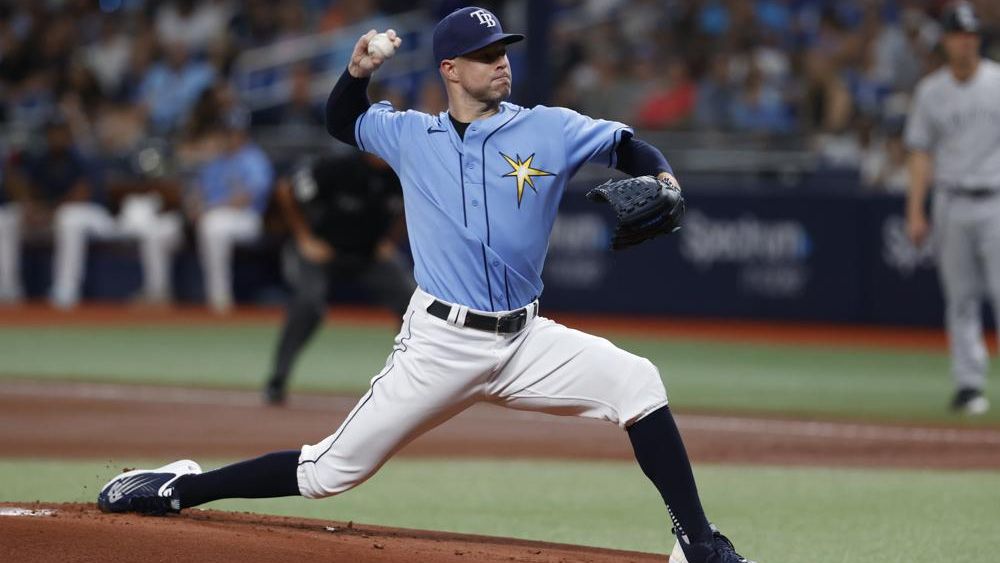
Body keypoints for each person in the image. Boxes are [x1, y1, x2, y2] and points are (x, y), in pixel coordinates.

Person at [97, 8, 754, 563]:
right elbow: (340, 120)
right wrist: (357, 71)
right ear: (450, 70)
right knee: (328, 473)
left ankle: (698, 542)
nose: (500, 62)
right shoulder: (411, 135)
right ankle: (178, 487)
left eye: (502, 50)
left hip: (524, 338)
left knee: (636, 382)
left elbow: (630, 147)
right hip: (440, 342)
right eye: (483, 54)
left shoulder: (547, 126)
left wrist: (665, 181)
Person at [905, 1, 999, 416]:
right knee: (960, 299)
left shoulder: (997, 82)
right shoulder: (931, 90)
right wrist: (915, 210)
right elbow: (920, 154)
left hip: (996, 199)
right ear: (945, 41)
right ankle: (967, 384)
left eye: (972, 34)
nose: (966, 42)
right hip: (951, 200)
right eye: (959, 35)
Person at [264, 153, 415, 405]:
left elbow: (412, 206)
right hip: (321, 252)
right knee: (308, 303)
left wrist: (389, 240)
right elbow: (285, 188)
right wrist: (304, 238)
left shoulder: (400, 173)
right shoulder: (338, 166)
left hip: (367, 256)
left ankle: (410, 380)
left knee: (413, 305)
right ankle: (278, 378)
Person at [19, 117, 184, 309]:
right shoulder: (95, 155)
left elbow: (169, 189)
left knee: (154, 229)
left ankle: (157, 292)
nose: (112, 131)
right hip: (114, 218)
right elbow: (28, 187)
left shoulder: (145, 150)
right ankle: (61, 291)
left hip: (131, 215)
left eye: (119, 125)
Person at [187, 109, 274, 313]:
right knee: (209, 224)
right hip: (217, 216)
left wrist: (210, 208)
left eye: (234, 132)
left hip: (248, 219)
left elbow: (249, 196)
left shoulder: (253, 158)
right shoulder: (217, 160)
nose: (230, 137)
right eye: (226, 132)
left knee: (213, 226)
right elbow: (199, 191)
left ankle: (220, 299)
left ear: (244, 134)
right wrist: (195, 207)